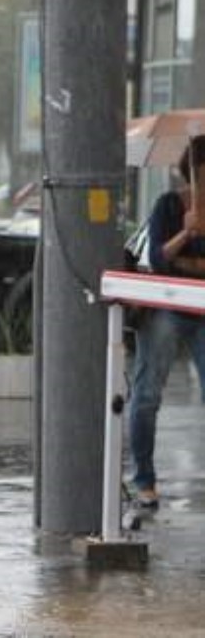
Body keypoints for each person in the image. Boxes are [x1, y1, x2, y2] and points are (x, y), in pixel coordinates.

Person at [128, 135, 205, 512]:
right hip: (165, 308)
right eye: (201, 178)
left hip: (202, 310)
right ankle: (143, 478)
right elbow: (158, 260)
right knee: (147, 395)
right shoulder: (169, 206)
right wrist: (186, 234)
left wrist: (189, 265)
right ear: (191, 175)